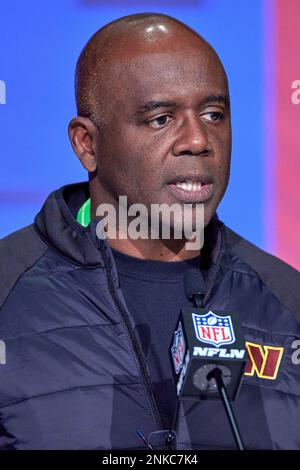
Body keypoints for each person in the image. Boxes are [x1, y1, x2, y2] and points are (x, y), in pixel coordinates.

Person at [0, 13, 299, 450]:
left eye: (214, 114)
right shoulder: (8, 291)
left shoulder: (287, 302)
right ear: (87, 143)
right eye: (161, 119)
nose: (198, 140)